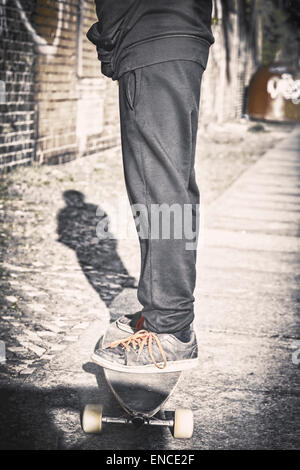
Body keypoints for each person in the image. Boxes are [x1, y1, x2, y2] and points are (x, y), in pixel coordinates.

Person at [87, 0, 214, 373]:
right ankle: (167, 316)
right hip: (178, 38)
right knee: (171, 186)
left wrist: (110, 43)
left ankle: (169, 332)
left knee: (159, 192)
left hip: (149, 39)